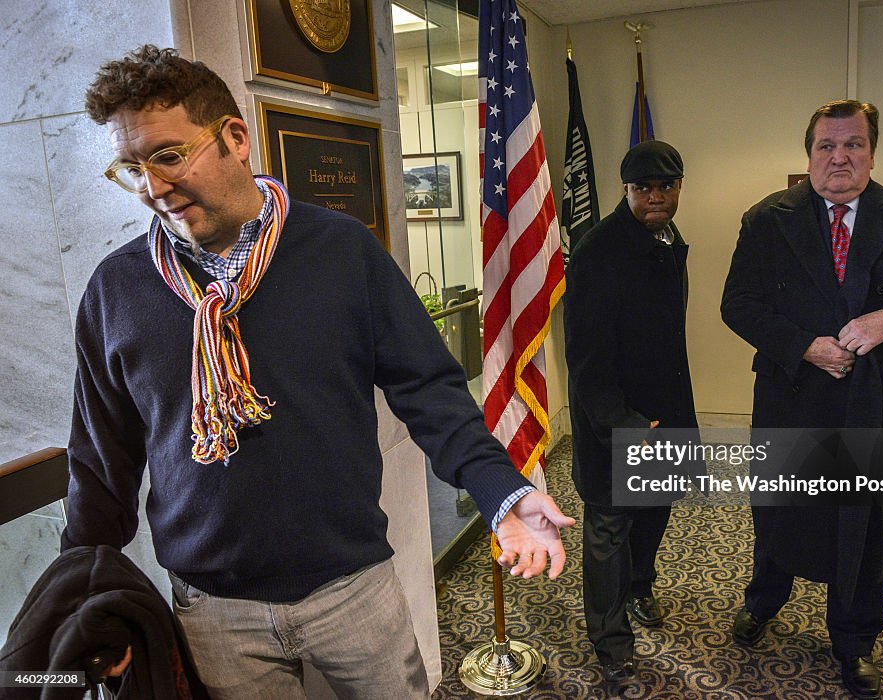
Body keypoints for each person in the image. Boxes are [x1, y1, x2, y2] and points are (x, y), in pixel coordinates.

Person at [61, 45, 574, 700]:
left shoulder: (342, 251)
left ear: (235, 138)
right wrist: (85, 603)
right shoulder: (115, 291)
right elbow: (100, 466)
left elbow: (431, 392)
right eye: (131, 168)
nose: (152, 189)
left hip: (353, 588)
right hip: (213, 608)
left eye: (168, 156)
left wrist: (501, 492)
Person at [721, 99, 883, 699]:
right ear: (809, 153)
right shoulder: (766, 218)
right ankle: (763, 602)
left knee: (865, 528)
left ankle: (855, 641)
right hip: (791, 397)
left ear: (872, 151)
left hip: (873, 404)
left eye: (854, 145)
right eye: (826, 146)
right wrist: (804, 345)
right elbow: (738, 304)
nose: (839, 157)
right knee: (781, 511)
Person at [563, 141, 700, 692]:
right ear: (626, 190)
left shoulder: (668, 240)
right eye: (644, 188)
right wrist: (622, 424)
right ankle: (611, 641)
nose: (655, 197)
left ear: (678, 187)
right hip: (616, 420)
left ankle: (640, 586)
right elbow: (586, 354)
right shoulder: (598, 250)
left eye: (666, 186)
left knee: (656, 508)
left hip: (665, 410)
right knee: (609, 528)